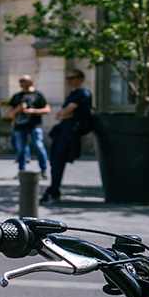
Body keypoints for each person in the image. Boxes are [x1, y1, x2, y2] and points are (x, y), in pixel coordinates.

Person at [43, 69, 92, 204]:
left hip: (70, 131)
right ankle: (54, 189)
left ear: (80, 79)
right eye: (68, 78)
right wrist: (64, 114)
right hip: (63, 129)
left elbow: (66, 111)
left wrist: (64, 114)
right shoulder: (73, 94)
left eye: (73, 78)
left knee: (59, 160)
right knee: (54, 160)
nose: (70, 81)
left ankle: (54, 189)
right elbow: (60, 115)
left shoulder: (83, 93)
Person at [7, 74, 51, 179]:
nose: (21, 83)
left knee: (39, 146)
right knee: (21, 149)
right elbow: (9, 113)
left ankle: (43, 170)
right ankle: (22, 171)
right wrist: (17, 109)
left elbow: (47, 109)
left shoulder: (37, 95)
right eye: (20, 81)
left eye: (24, 81)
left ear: (30, 82)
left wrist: (33, 111)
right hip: (19, 127)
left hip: (35, 125)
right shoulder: (17, 97)